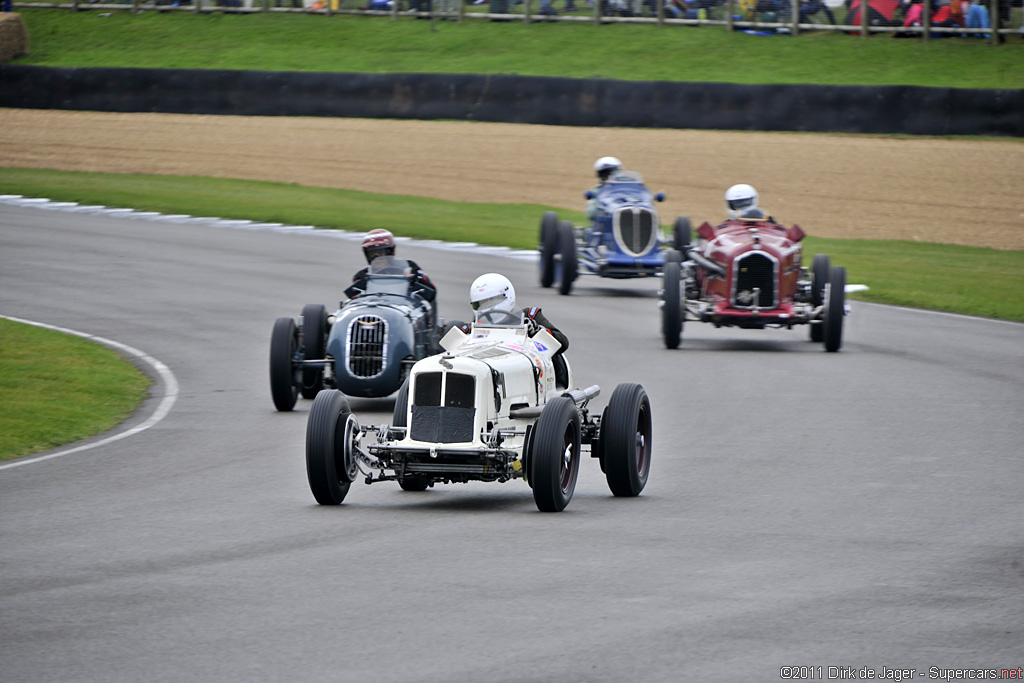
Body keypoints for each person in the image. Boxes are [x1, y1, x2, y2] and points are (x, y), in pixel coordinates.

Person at [464, 273, 569, 355]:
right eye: (481, 304)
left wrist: (537, 330)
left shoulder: (530, 316)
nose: (487, 307)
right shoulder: (476, 326)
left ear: (507, 295)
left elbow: (563, 343)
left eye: (492, 300)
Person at [345, 229, 436, 304]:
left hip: (405, 308)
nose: (377, 258)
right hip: (376, 310)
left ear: (391, 252)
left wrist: (414, 281)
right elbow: (355, 299)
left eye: (381, 253)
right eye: (372, 254)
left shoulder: (411, 268)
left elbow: (431, 292)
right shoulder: (362, 276)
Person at [585, 156, 622, 221]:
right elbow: (591, 213)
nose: (609, 176)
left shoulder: (624, 190)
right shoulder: (597, 190)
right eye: (606, 174)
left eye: (612, 173)